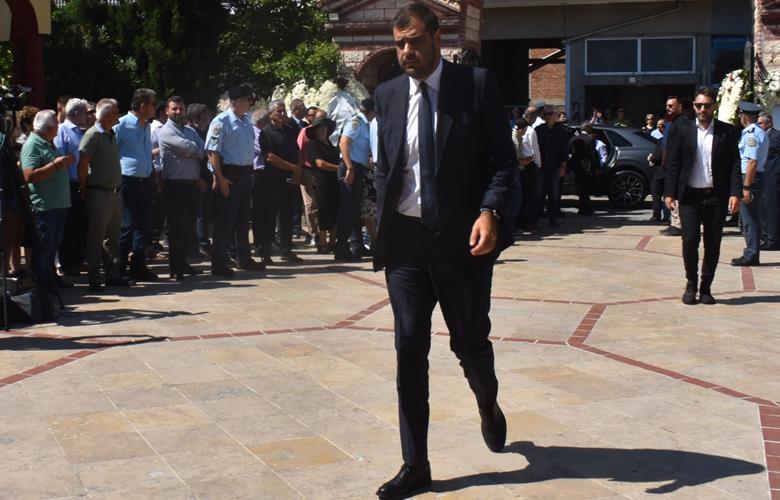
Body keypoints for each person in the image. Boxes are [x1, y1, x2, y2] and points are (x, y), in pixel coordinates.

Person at [372, 5, 515, 498]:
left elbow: (504, 162)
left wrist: (489, 211)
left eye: (414, 41)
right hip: (406, 245)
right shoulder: (388, 94)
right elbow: (386, 165)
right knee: (409, 347)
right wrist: (382, 215)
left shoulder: (474, 86)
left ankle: (487, 403)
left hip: (461, 244)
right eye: (399, 44)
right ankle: (416, 464)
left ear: (436, 37)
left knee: (469, 343)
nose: (406, 52)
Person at [664, 87, 741, 304]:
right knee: (689, 240)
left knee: (713, 243)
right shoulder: (683, 129)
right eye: (699, 105)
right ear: (694, 106)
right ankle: (691, 284)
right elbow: (673, 162)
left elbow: (735, 163)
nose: (702, 109)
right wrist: (669, 192)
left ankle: (706, 287)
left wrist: (735, 192)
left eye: (707, 105)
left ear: (714, 106)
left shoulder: (726, 131)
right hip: (690, 196)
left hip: (716, 196)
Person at [205, 83, 266, 276]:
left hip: (246, 173)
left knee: (243, 219)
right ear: (238, 101)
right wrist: (219, 177)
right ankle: (219, 263)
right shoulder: (221, 121)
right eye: (249, 100)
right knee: (224, 220)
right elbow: (212, 151)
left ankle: (244, 259)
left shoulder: (246, 120)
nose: (251, 104)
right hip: (230, 174)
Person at [77, 98, 130, 292]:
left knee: (113, 236)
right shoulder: (92, 135)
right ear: (107, 116)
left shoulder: (111, 133)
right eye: (116, 112)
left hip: (115, 192)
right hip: (99, 192)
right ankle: (94, 277)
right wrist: (83, 185)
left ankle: (112, 274)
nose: (118, 116)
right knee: (96, 236)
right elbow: (83, 164)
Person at [20, 110, 74, 289]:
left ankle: (51, 279)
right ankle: (42, 286)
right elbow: (29, 175)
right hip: (45, 207)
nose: (58, 128)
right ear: (48, 128)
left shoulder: (48, 143)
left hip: (57, 205)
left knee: (52, 247)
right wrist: (56, 165)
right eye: (56, 125)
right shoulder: (32, 145)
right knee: (44, 248)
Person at [155, 96, 206, 280]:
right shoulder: (165, 131)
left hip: (191, 185)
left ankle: (183, 262)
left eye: (181, 109)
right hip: (174, 186)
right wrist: (192, 150)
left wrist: (192, 151)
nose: (178, 112)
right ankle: (175, 267)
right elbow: (190, 149)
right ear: (167, 111)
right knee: (176, 228)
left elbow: (202, 151)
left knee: (188, 227)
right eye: (174, 109)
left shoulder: (190, 131)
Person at [115, 88, 159, 282]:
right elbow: (112, 151)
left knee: (144, 225)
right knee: (127, 225)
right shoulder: (121, 125)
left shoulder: (146, 125)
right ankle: (119, 268)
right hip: (127, 180)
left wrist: (152, 174)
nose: (156, 108)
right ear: (143, 106)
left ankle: (138, 266)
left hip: (145, 180)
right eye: (153, 104)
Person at [259, 100, 303, 263]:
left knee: (287, 216)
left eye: (284, 111)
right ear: (270, 114)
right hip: (272, 180)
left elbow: (297, 152)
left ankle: (286, 250)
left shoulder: (291, 130)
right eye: (279, 111)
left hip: (289, 179)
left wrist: (297, 172)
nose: (282, 114)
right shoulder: (266, 132)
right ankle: (265, 251)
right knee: (269, 216)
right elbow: (270, 157)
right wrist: (293, 167)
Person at [335, 98, 375, 261]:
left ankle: (357, 246)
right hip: (350, 168)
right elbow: (344, 143)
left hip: (358, 168)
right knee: (347, 210)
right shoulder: (356, 122)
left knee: (354, 210)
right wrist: (350, 167)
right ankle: (341, 248)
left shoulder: (365, 124)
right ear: (372, 111)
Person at [54, 98, 89, 276]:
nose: (87, 116)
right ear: (76, 113)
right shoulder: (62, 130)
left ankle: (76, 260)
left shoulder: (81, 132)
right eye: (84, 112)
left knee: (79, 223)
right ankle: (66, 263)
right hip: (68, 183)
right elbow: (60, 156)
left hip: (80, 182)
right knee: (70, 225)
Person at [731, 101, 769, 267]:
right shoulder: (758, 131)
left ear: (744, 116)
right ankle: (752, 252)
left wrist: (746, 187)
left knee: (749, 219)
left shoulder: (752, 134)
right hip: (753, 177)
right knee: (750, 217)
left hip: (750, 178)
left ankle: (751, 254)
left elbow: (752, 162)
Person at [306, 116, 340, 253]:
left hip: (335, 182)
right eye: (319, 127)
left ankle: (332, 242)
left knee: (335, 211)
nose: (322, 129)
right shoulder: (313, 144)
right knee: (324, 212)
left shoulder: (331, 145)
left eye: (324, 127)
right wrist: (339, 168)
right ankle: (322, 243)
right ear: (315, 131)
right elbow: (320, 163)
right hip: (322, 182)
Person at [535, 106, 569, 227]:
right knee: (539, 192)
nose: (547, 116)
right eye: (545, 114)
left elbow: (565, 149)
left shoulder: (562, 130)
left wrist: (563, 166)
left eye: (550, 114)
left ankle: (553, 219)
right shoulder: (539, 129)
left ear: (555, 115)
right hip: (541, 167)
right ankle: (536, 217)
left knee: (554, 193)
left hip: (555, 166)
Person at [658, 96, 686, 235]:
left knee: (676, 193)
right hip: (670, 163)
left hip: (678, 164)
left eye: (671, 106)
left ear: (679, 106)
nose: (668, 108)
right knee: (670, 192)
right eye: (667, 106)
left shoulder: (682, 122)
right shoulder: (671, 121)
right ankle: (674, 222)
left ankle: (678, 225)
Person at [296, 108, 322, 249]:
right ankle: (313, 233)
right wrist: (299, 171)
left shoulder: (324, 133)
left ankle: (320, 232)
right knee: (310, 204)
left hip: (320, 171)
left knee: (319, 203)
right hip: (306, 170)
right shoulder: (304, 132)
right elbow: (299, 151)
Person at [512, 117, 541, 230]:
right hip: (524, 167)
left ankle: (523, 222)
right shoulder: (517, 138)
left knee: (524, 196)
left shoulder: (517, 136)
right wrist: (536, 163)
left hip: (524, 166)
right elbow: (534, 150)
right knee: (527, 196)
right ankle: (525, 222)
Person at [568, 123, 602, 215]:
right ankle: (585, 208)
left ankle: (583, 207)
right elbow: (593, 155)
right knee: (585, 188)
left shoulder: (574, 138)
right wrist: (597, 167)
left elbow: (569, 151)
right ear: (588, 129)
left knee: (579, 187)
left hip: (576, 166)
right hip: (587, 166)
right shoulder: (590, 139)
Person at [758, 113, 780, 250]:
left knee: (772, 209)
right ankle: (765, 237)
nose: (759, 125)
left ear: (769, 123)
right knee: (763, 208)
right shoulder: (759, 136)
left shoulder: (777, 136)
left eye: (761, 123)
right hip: (762, 177)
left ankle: (773, 240)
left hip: (773, 178)